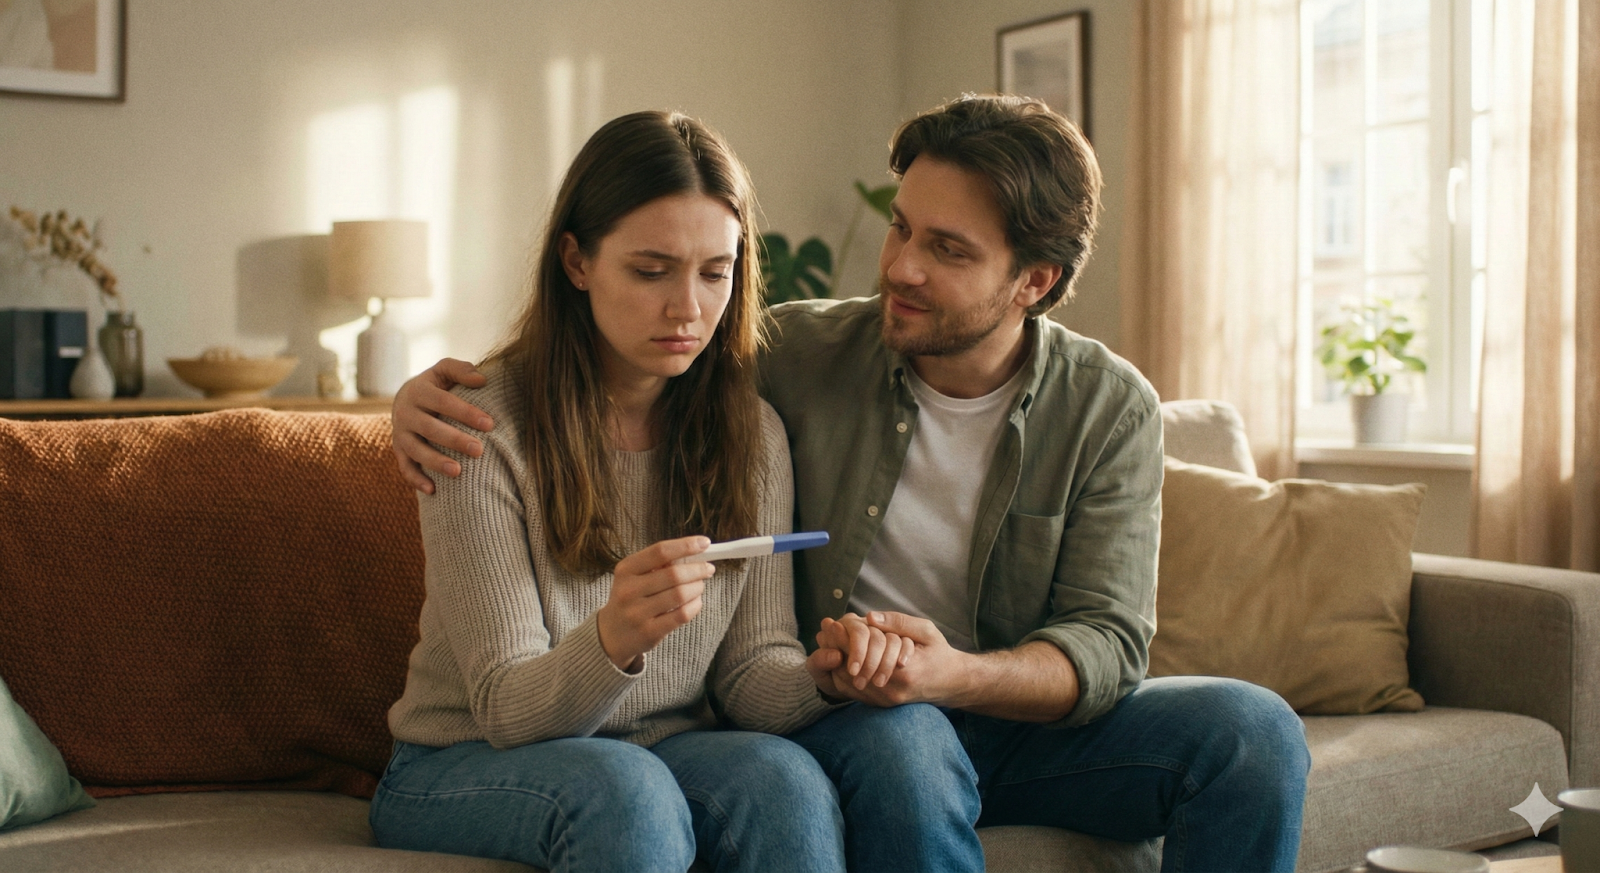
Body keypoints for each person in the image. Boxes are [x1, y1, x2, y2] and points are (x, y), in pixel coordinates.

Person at [392, 95, 1312, 873]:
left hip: (977, 709)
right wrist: (403, 404)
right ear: (578, 259)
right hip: (851, 727)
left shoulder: (1101, 407)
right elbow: (514, 686)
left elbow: (1107, 643)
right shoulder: (783, 359)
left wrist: (907, 674)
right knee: (858, 750)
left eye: (948, 249)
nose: (902, 266)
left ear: (1034, 280)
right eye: (901, 227)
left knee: (1253, 731)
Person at [369, 110, 868, 873]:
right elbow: (505, 706)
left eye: (715, 271)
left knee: (784, 780)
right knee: (626, 790)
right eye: (650, 270)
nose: (689, 309)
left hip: (658, 748)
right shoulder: (477, 426)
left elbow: (747, 671)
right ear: (576, 261)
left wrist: (822, 680)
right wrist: (615, 636)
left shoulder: (753, 433)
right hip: (460, 759)